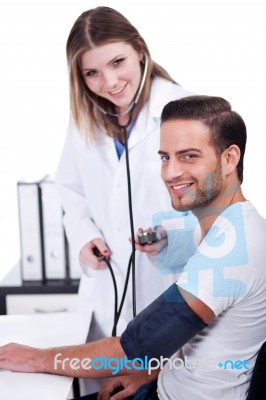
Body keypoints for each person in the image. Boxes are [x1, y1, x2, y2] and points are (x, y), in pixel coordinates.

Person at [1, 95, 266, 400]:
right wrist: (149, 373)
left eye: (189, 156)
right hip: (162, 386)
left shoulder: (232, 248)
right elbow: (198, 344)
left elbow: (137, 346)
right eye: (165, 157)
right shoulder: (225, 228)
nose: (170, 172)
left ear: (230, 158)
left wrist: (36, 358)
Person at [56, 5, 192, 362]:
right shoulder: (85, 118)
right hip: (106, 291)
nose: (110, 83)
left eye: (118, 62)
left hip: (167, 288)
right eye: (92, 73)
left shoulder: (185, 109)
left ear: (140, 49)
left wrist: (172, 238)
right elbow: (70, 189)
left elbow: (218, 206)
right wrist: (84, 235)